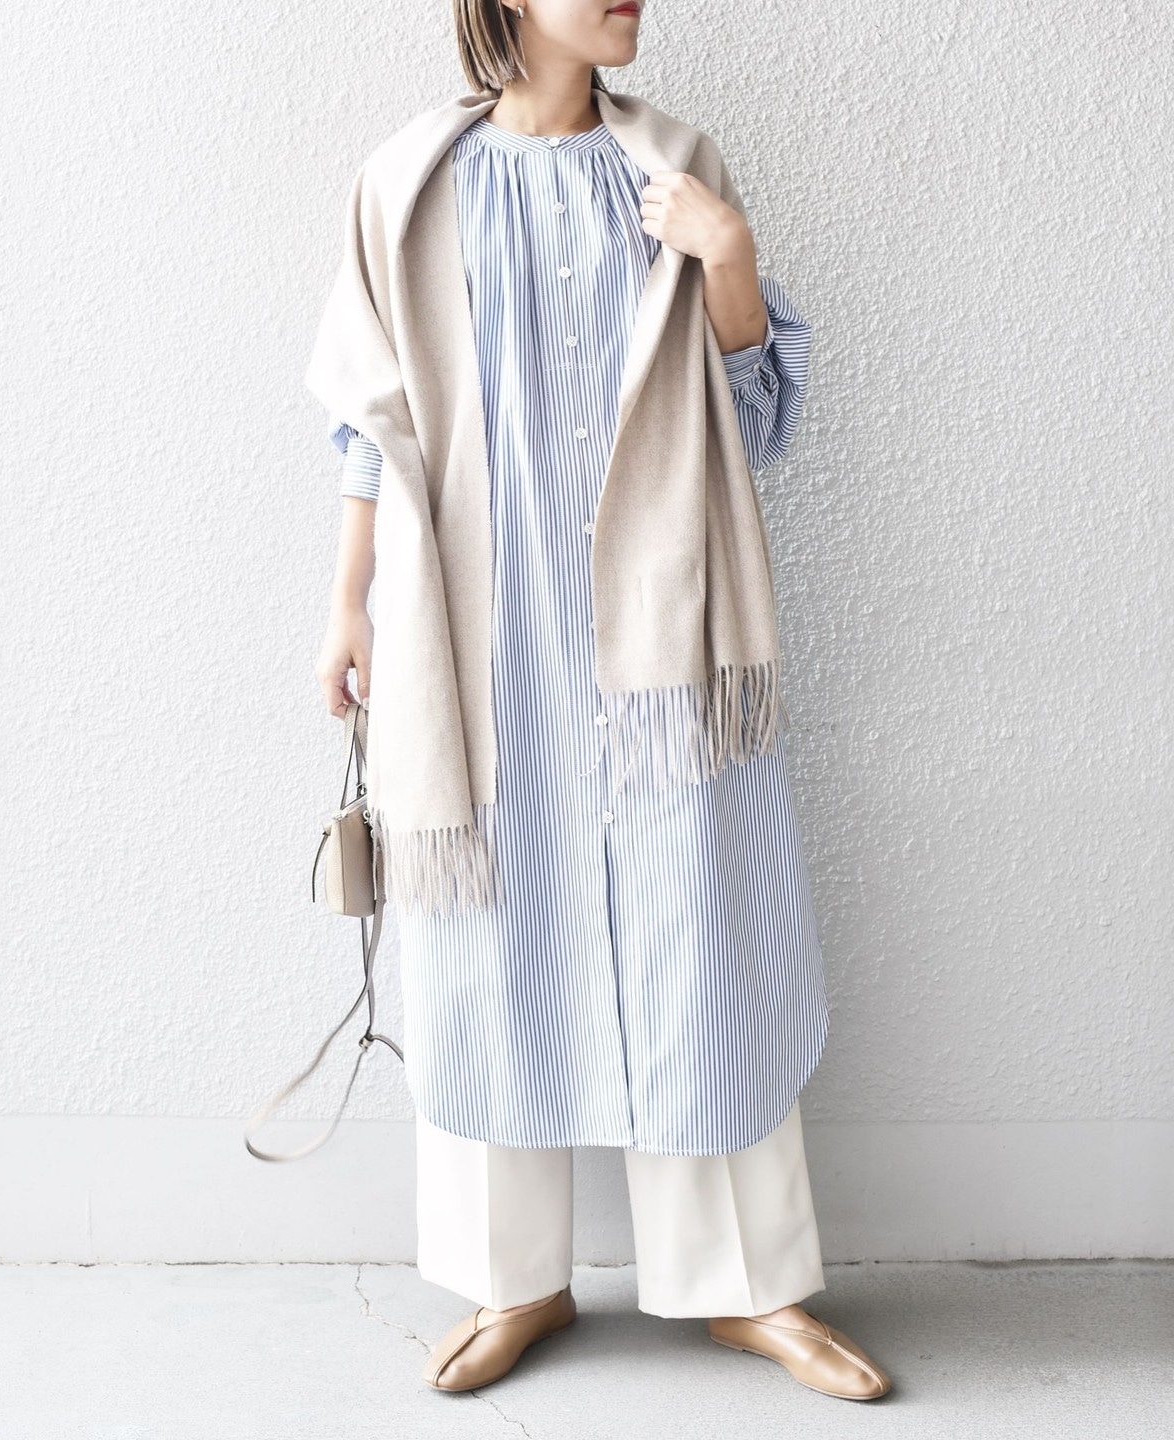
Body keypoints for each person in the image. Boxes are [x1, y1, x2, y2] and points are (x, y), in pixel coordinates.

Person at [310, 0, 891, 1402]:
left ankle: (747, 1286)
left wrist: (728, 256)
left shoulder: (677, 166)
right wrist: (347, 603)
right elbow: (374, 423)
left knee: (701, 938)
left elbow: (754, 425)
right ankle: (512, 1279)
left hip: (661, 635)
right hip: (479, 631)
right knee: (489, 944)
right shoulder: (407, 184)